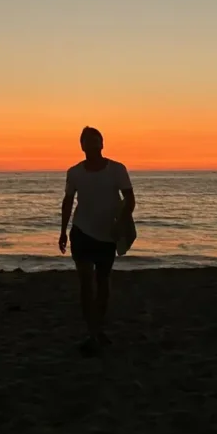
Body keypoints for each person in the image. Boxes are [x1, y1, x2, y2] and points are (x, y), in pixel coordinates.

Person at [59, 126, 136, 355]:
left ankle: (98, 328)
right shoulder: (74, 173)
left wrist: (120, 223)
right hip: (81, 232)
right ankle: (92, 332)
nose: (93, 146)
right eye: (88, 142)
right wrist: (63, 231)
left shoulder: (117, 170)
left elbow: (130, 200)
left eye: (97, 141)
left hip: (107, 235)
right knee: (85, 283)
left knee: (102, 283)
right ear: (82, 146)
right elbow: (68, 201)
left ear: (102, 144)